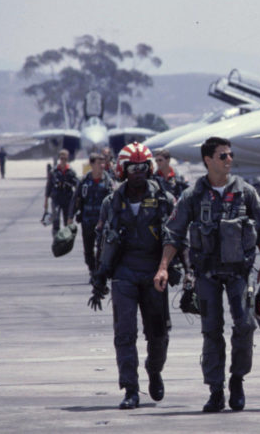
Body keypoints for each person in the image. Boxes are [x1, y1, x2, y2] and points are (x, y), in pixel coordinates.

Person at [156, 136, 260, 413]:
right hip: (206, 274)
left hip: (239, 273)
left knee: (245, 325)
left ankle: (237, 380)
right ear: (208, 160)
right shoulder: (193, 196)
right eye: (223, 156)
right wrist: (163, 267)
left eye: (230, 154)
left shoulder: (245, 191)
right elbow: (173, 233)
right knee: (211, 331)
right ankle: (216, 389)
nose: (229, 159)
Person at [87, 142, 177, 410]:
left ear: (149, 168)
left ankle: (154, 370)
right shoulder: (111, 202)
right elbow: (103, 243)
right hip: (124, 275)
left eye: (142, 167)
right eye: (132, 167)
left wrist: (184, 273)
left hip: (155, 274)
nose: (137, 172)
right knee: (124, 334)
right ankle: (130, 389)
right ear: (122, 170)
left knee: (158, 335)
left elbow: (176, 239)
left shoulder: (165, 200)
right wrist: (99, 278)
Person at [68, 153, 113, 277]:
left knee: (102, 248)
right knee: (88, 249)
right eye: (99, 163)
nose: (102, 166)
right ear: (92, 164)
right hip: (87, 221)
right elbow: (76, 199)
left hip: (102, 221)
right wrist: (70, 216)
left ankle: (98, 272)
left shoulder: (108, 181)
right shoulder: (84, 181)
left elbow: (114, 201)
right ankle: (92, 269)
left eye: (103, 163)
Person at [44, 149, 78, 237]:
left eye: (65, 159)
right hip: (56, 198)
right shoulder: (54, 171)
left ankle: (66, 239)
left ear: (67, 159)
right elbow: (49, 186)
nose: (63, 160)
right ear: (59, 158)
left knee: (67, 219)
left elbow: (77, 185)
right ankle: (56, 238)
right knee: (56, 219)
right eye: (62, 158)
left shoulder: (71, 172)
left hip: (67, 198)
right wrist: (46, 200)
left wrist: (78, 200)